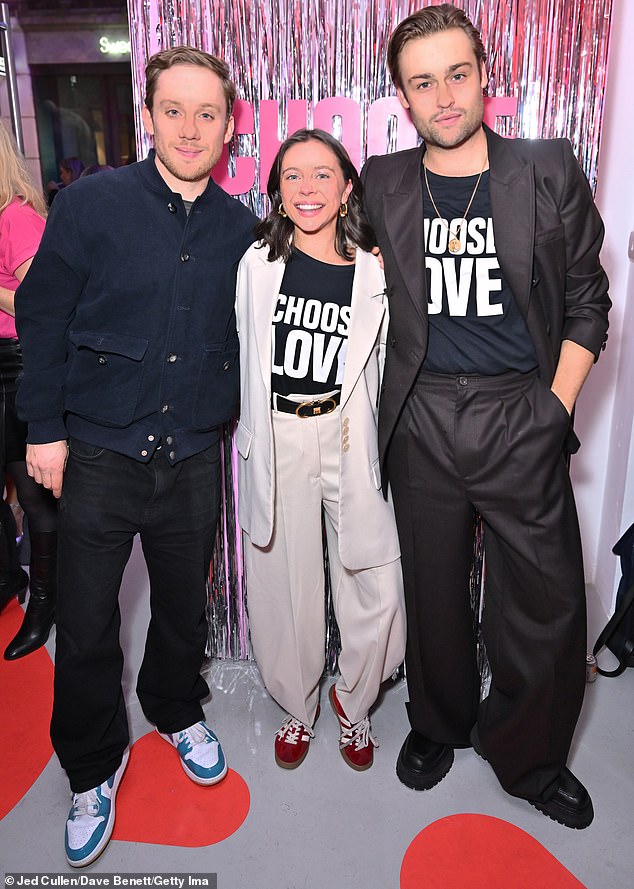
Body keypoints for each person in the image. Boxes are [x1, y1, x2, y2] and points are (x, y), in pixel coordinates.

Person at [361, 4, 610, 828]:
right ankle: (438, 723)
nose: (443, 96)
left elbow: (587, 302)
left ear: (483, 76)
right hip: (423, 413)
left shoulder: (545, 168)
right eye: (422, 82)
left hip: (519, 408)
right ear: (404, 97)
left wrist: (553, 409)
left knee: (544, 601)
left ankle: (532, 757)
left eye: (456, 74)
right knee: (431, 587)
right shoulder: (384, 179)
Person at [15, 46, 257, 867]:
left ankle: (175, 707)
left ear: (229, 127)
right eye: (175, 110)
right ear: (146, 115)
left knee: (184, 606)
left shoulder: (243, 230)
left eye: (208, 113)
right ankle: (91, 765)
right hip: (97, 450)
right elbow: (41, 314)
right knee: (84, 621)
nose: (191, 128)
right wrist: (41, 426)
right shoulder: (92, 203)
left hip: (192, 454)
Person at [236, 129, 406, 771]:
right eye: (293, 177)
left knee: (375, 577)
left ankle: (353, 704)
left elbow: (390, 365)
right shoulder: (256, 265)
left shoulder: (375, 270)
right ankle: (296, 707)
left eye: (322, 175)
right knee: (286, 582)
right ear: (277, 191)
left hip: (347, 432)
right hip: (279, 435)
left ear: (345, 188)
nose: (308, 189)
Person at [0, 120, 58, 659]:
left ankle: (43, 608)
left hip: (15, 367)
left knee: (36, 499)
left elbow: (41, 305)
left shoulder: (16, 217)